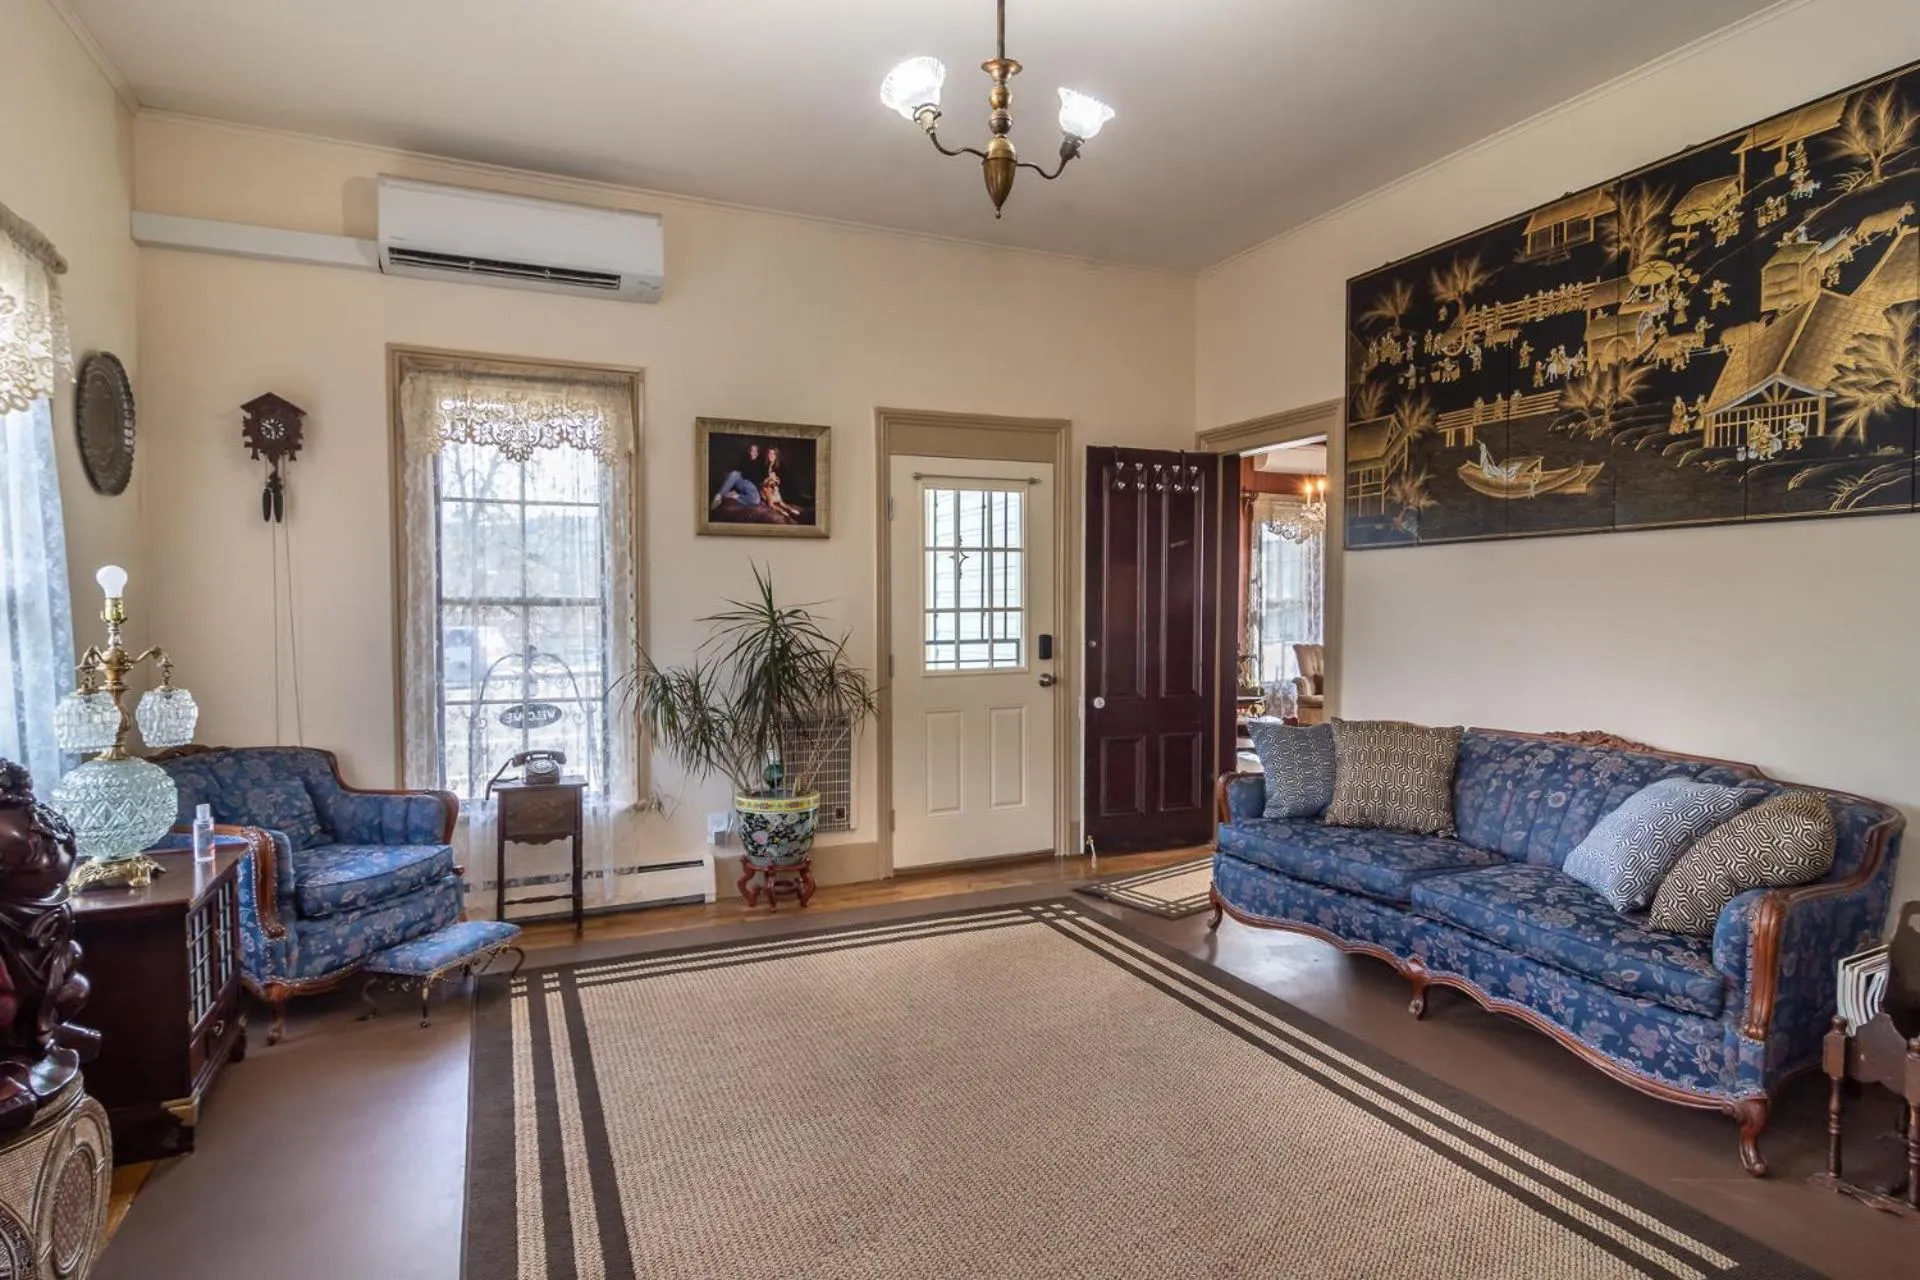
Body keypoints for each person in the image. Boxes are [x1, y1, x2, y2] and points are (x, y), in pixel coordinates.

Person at [711, 443, 763, 510]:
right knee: (734, 473)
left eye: (755, 451)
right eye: (752, 450)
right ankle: (718, 497)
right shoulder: (745, 461)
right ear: (749, 452)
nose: (753, 453)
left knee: (756, 501)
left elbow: (757, 478)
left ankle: (734, 496)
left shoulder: (760, 463)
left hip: (751, 486)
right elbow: (740, 473)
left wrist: (737, 493)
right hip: (743, 482)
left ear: (758, 453)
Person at [760, 446, 803, 519]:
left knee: (794, 500)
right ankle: (783, 511)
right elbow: (762, 479)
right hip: (768, 487)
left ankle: (792, 510)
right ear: (767, 454)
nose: (771, 455)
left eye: (773, 454)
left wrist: (777, 481)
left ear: (776, 456)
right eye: (770, 453)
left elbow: (785, 480)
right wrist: (767, 480)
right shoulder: (765, 465)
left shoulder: (781, 465)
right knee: (771, 502)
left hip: (782, 488)